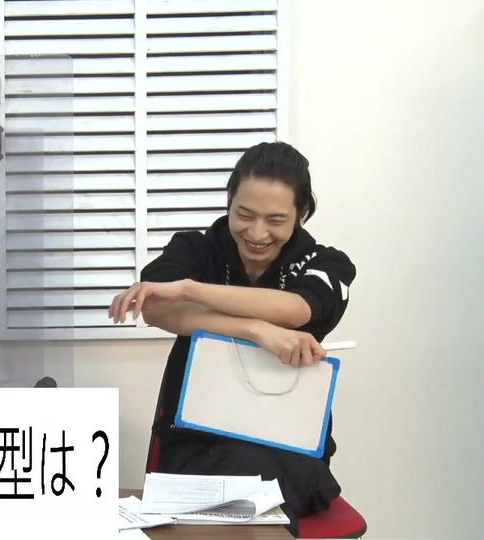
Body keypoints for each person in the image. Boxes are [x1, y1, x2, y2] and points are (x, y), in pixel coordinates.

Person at [109, 141, 355, 536]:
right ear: (229, 200)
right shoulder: (195, 248)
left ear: (302, 213)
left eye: (276, 220)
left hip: (286, 448)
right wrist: (256, 330)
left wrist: (189, 290)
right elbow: (154, 309)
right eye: (244, 214)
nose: (257, 233)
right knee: (222, 496)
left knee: (252, 490)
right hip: (196, 442)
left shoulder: (326, 263)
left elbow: (298, 309)